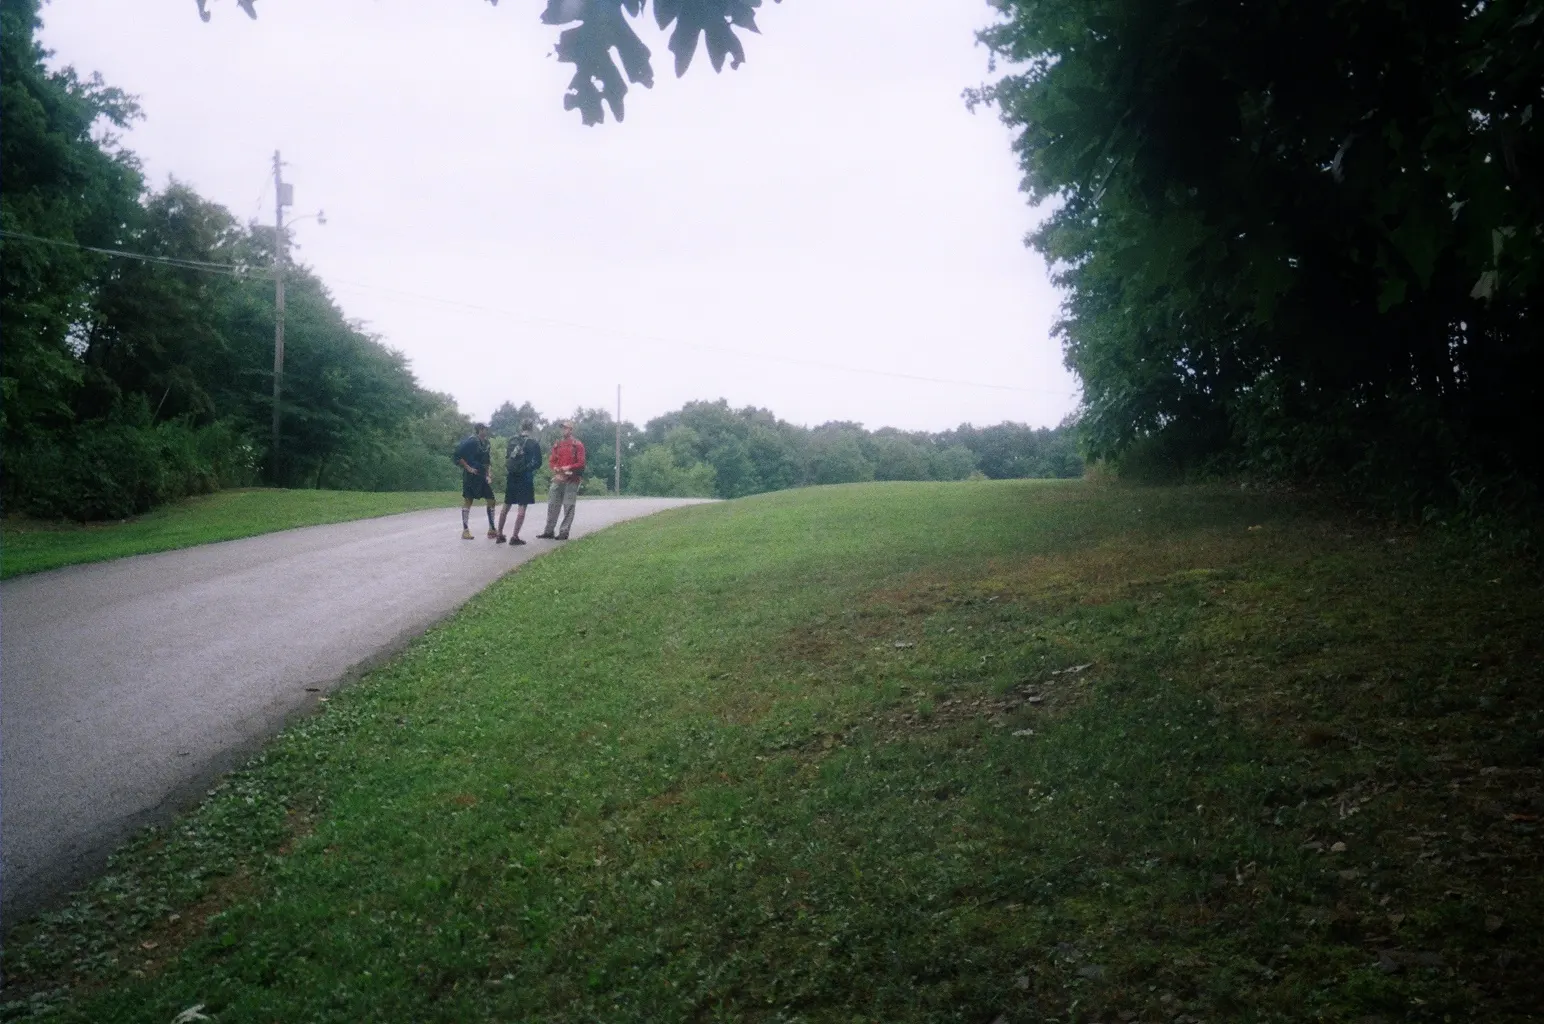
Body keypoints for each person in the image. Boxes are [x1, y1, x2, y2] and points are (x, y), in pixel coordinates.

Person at [537, 419, 585, 540]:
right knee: (553, 504)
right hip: (559, 478)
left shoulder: (577, 445)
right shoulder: (557, 444)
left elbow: (581, 463)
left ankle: (564, 532)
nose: (564, 430)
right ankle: (549, 531)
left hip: (572, 479)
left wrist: (569, 467)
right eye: (562, 428)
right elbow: (552, 460)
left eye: (566, 428)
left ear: (571, 430)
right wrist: (556, 469)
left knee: (568, 506)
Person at [496, 419, 541, 546]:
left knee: (507, 504)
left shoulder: (512, 441)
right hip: (525, 477)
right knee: (522, 506)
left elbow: (508, 458)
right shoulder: (533, 443)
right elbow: (538, 462)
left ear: (521, 427)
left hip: (512, 476)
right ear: (531, 429)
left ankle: (499, 533)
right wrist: (528, 468)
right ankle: (515, 536)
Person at [453, 423, 497, 540]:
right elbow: (457, 455)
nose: (486, 431)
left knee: (491, 500)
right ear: (479, 430)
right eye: (484, 429)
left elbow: (487, 460)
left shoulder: (486, 443)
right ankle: (465, 530)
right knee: (468, 500)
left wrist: (489, 474)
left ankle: (492, 529)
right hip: (471, 476)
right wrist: (468, 468)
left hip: (482, 475)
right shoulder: (471, 442)